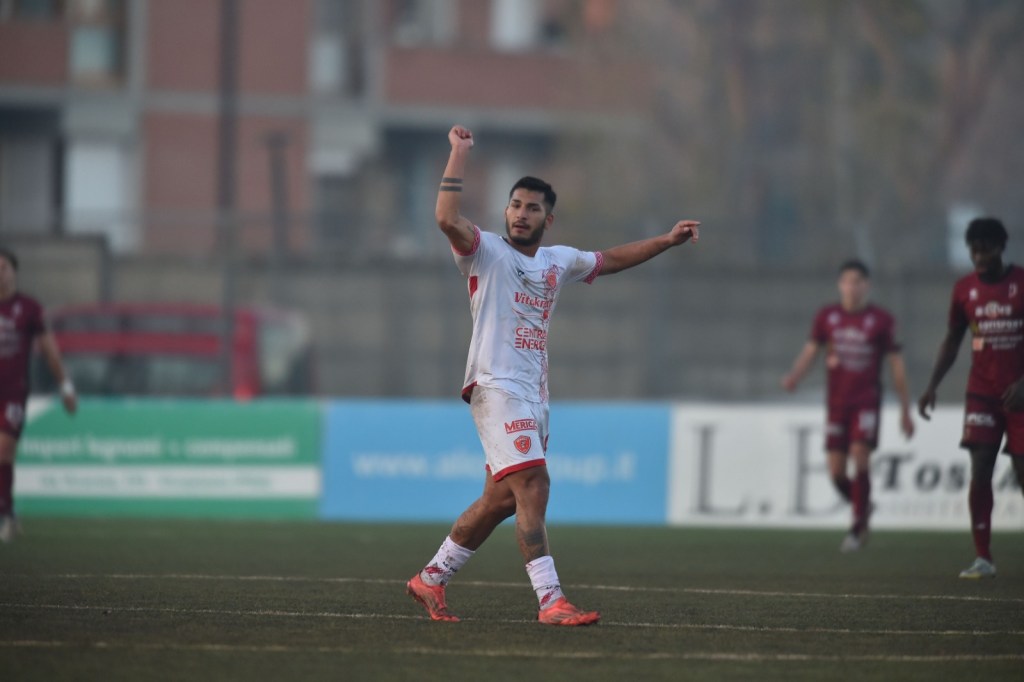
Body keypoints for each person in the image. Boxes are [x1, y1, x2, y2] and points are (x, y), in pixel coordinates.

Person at [406, 125, 701, 626]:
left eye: (532, 207)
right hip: (494, 386)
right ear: (505, 211)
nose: (521, 214)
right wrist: (458, 153)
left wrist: (667, 242)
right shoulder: (484, 250)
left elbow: (611, 260)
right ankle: (550, 600)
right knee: (535, 484)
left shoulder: (556, 261)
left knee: (500, 500)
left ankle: (431, 577)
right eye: (515, 205)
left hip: (533, 394)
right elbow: (444, 218)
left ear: (548, 217)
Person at [782, 259, 914, 552]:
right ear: (839, 285)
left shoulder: (881, 320)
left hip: (866, 401)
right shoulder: (827, 316)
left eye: (858, 282)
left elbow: (897, 365)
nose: (852, 288)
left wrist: (906, 409)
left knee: (860, 453)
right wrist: (794, 376)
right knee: (836, 473)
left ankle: (856, 529)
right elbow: (811, 350)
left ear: (867, 286)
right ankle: (863, 505)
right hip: (836, 404)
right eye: (847, 282)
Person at [918, 217, 1024, 579]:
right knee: (980, 471)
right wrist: (932, 385)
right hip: (982, 394)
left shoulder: (1021, 283)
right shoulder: (964, 289)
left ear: (1001, 248)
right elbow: (952, 340)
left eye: (986, 250)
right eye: (974, 251)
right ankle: (984, 557)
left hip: (1021, 396)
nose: (979, 257)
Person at [0, 246, 77, 543]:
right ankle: (9, 510)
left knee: (4, 449)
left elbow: (49, 350)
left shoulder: (29, 309)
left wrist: (65, 386)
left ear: (13, 272)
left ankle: (6, 515)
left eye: (3, 266)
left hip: (13, 393)